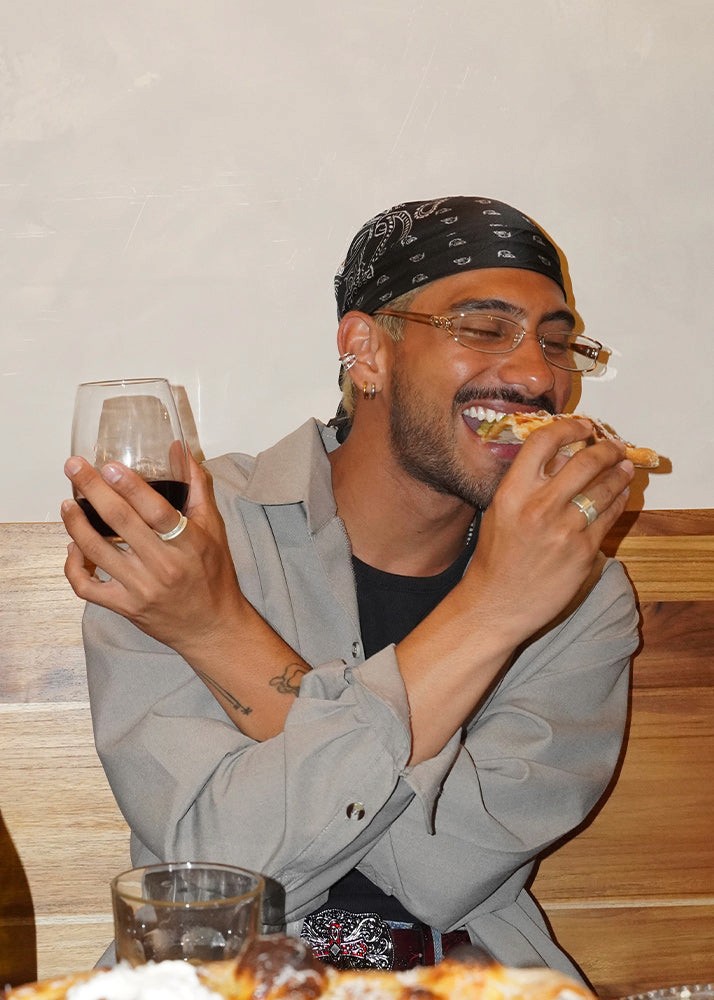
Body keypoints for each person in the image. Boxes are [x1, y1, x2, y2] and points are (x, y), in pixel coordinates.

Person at [61, 196, 639, 981]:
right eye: (483, 328)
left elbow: (450, 871)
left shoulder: (580, 590)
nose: (539, 374)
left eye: (557, 342)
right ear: (366, 351)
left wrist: (219, 633)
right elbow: (225, 876)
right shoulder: (185, 536)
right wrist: (490, 613)